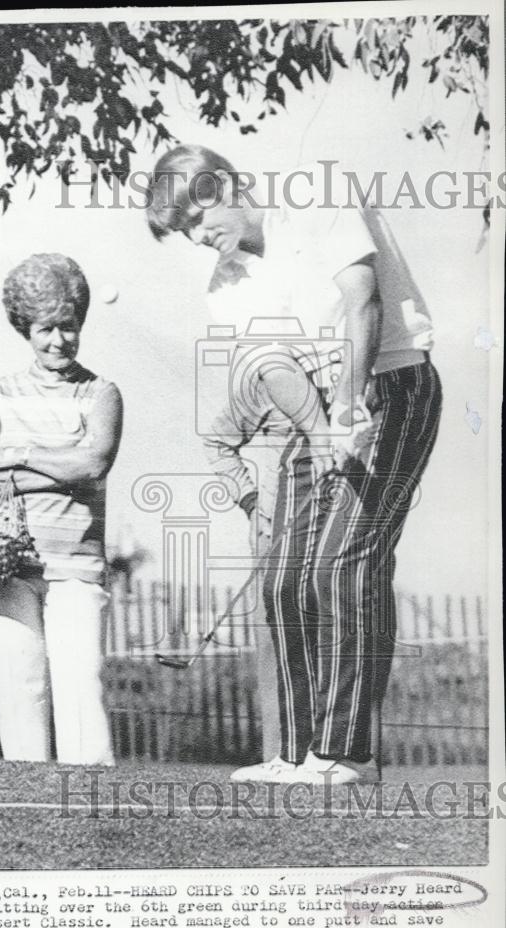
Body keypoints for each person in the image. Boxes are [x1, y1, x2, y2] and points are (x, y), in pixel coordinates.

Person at [147, 145, 442, 784]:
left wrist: (347, 405)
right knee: (284, 579)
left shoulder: (313, 190)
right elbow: (275, 367)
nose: (199, 239)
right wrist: (318, 430)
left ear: (221, 182)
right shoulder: (224, 281)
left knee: (343, 564)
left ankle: (348, 755)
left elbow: (362, 297)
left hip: (392, 384)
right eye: (185, 233)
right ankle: (297, 753)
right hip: (318, 411)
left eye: (197, 219)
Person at [0, 253, 123, 766]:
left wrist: (19, 457)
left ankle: (91, 812)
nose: (59, 340)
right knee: (19, 686)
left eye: (69, 327)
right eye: (46, 329)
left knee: (81, 687)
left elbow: (94, 464)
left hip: (77, 564)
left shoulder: (102, 392)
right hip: (8, 565)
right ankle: (26, 805)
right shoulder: (0, 391)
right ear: (25, 329)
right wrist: (61, 465)